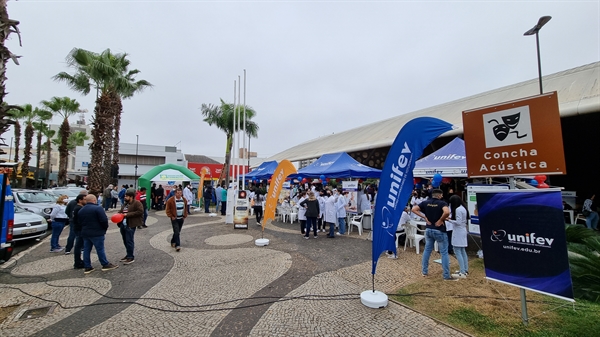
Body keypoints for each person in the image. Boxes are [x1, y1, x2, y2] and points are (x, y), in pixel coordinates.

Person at [412, 189, 455, 281]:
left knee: (427, 250)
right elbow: (446, 212)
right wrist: (440, 220)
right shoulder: (442, 203)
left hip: (429, 229)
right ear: (439, 195)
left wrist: (424, 217)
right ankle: (446, 275)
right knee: (444, 252)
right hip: (439, 230)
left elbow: (413, 209)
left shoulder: (425, 202)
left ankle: (424, 271)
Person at [78, 194, 118, 274]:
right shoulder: (97, 208)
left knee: (86, 250)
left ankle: (87, 266)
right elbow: (103, 220)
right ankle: (105, 264)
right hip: (97, 232)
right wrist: (104, 228)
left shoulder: (81, 210)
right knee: (100, 249)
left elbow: (79, 222)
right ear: (94, 200)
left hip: (86, 232)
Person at [118, 190, 144, 264]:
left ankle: (130, 257)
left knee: (129, 240)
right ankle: (128, 254)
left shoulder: (137, 203)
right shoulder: (125, 204)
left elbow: (140, 211)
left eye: (126, 196)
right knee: (125, 240)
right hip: (123, 224)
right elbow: (121, 211)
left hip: (130, 224)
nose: (125, 197)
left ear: (131, 197)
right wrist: (119, 214)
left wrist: (127, 215)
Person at [448, 195, 469, 278]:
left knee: (457, 250)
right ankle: (464, 269)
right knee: (462, 250)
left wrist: (449, 220)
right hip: (462, 230)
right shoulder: (463, 208)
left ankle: (462, 271)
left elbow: (458, 222)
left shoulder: (458, 209)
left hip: (459, 231)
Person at [64, 189, 88, 255]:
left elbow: (67, 211)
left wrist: (71, 216)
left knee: (72, 235)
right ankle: (82, 248)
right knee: (80, 235)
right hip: (79, 221)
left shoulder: (71, 202)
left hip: (72, 220)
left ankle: (68, 249)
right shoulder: (83, 204)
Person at [70, 194, 87, 269]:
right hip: (79, 229)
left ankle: (78, 261)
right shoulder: (79, 208)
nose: (86, 201)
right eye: (84, 199)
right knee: (79, 246)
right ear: (80, 200)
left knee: (79, 246)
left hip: (77, 228)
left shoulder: (77, 208)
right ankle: (77, 262)